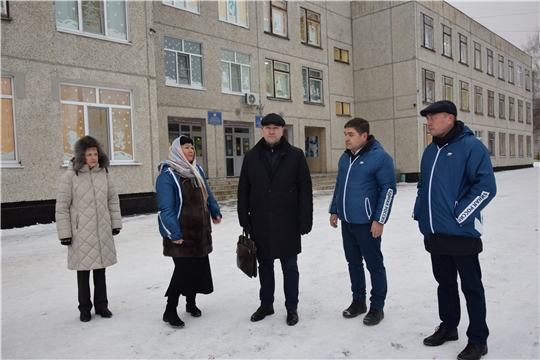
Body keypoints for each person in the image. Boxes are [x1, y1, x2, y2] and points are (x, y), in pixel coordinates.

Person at [414, 100, 497, 360]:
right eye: (426, 119)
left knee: (471, 287)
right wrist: (420, 215)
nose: (428, 123)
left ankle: (478, 339)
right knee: (445, 284)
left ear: (449, 118)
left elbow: (486, 187)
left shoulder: (472, 147)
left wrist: (460, 214)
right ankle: (449, 327)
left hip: (461, 233)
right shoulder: (430, 151)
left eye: (432, 118)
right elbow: (423, 188)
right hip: (435, 232)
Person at [237, 113, 313, 326]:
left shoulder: (296, 155)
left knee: (290, 266)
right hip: (260, 221)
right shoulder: (251, 156)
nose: (271, 131)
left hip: (288, 222)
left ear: (282, 130)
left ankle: (291, 307)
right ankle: (266, 304)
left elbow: (305, 189)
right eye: (267, 127)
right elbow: (244, 189)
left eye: (276, 127)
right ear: (262, 130)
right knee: (265, 266)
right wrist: (244, 217)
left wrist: (305, 218)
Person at [329, 117, 396, 326]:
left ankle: (377, 306)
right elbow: (340, 184)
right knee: (353, 263)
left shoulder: (380, 158)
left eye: (351, 135)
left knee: (374, 265)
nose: (346, 139)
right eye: (345, 134)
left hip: (368, 223)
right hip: (347, 222)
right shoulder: (345, 158)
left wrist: (380, 220)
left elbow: (389, 190)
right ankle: (358, 301)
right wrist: (334, 210)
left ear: (364, 136)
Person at [156, 135, 222, 328]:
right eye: (186, 147)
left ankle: (191, 303)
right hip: (180, 234)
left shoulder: (196, 171)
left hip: (199, 232)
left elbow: (207, 195)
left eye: (193, 147)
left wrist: (215, 211)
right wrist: (174, 233)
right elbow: (166, 209)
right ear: (177, 150)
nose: (191, 150)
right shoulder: (168, 175)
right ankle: (170, 310)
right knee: (183, 271)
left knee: (197, 269)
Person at [55, 135, 122, 322]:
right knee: (83, 272)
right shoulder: (69, 177)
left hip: (101, 230)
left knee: (100, 270)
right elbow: (61, 207)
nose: (93, 157)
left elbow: (112, 200)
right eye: (89, 154)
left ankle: (102, 306)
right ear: (80, 156)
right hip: (80, 232)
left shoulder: (105, 174)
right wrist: (65, 234)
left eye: (95, 153)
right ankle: (84, 309)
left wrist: (115, 223)